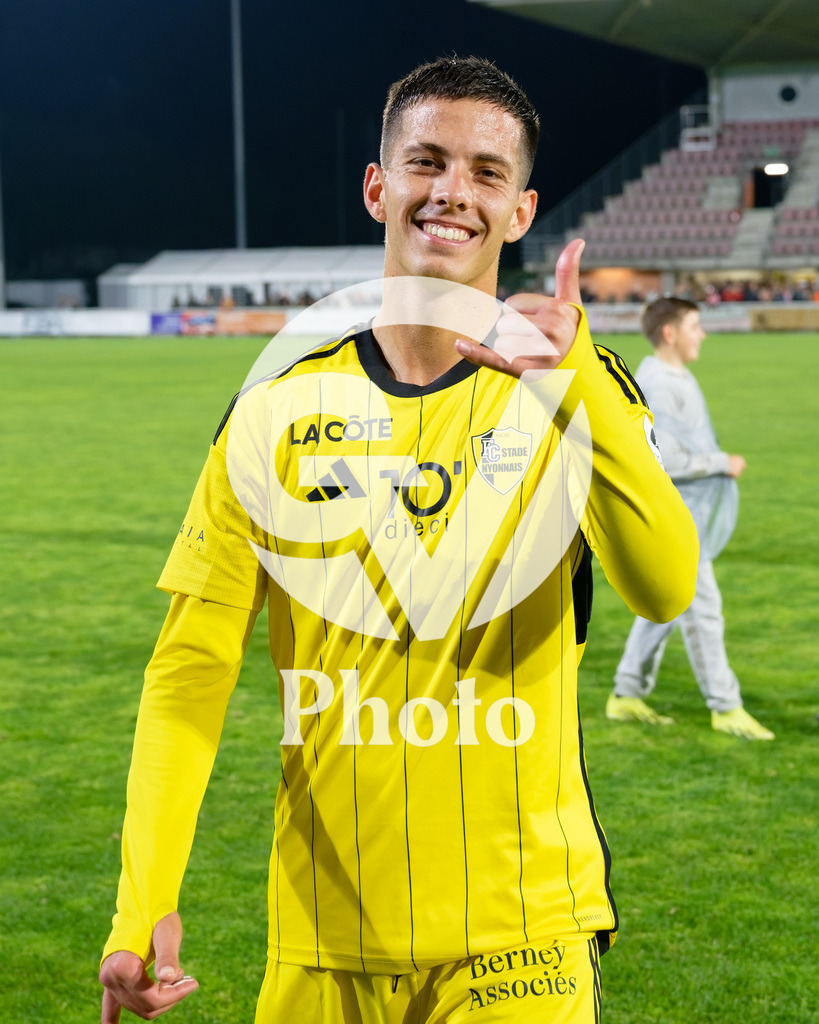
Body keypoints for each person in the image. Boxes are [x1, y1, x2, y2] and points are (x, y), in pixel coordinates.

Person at [99, 57, 698, 1023]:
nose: (452, 191)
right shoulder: (275, 410)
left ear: (519, 210)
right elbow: (187, 678)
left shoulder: (580, 391)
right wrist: (138, 912)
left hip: (523, 943)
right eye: (426, 162)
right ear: (379, 185)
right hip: (321, 947)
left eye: (485, 173)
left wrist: (573, 377)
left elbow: (665, 586)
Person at [607, 297, 774, 741]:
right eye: (695, 326)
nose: (702, 334)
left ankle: (625, 693)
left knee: (665, 609)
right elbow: (665, 458)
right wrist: (721, 462)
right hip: (676, 520)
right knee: (704, 611)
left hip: (687, 518)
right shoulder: (659, 384)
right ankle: (726, 706)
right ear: (670, 333)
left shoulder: (673, 376)